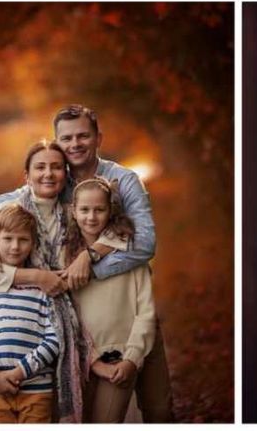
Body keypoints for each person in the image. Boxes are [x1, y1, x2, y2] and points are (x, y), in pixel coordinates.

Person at [0, 104, 174, 423]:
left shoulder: (123, 180)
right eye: (67, 138)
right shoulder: (58, 182)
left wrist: (87, 263)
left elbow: (145, 242)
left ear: (98, 138)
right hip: (84, 320)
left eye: (83, 136)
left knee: (157, 406)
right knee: (90, 410)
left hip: (128, 301)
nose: (75, 144)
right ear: (58, 142)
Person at [0, 142, 89, 422]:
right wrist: (36, 276)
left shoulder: (75, 213)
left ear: (66, 173)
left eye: (56, 167)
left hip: (66, 316)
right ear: (27, 175)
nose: (48, 173)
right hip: (38, 303)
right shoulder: (12, 209)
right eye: (40, 167)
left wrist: (89, 256)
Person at [66, 177, 157, 423]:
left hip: (119, 358)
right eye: (84, 210)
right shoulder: (64, 257)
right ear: (73, 211)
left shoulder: (130, 257)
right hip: (79, 360)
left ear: (110, 211)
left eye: (99, 210)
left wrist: (132, 358)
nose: (91, 217)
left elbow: (145, 313)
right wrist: (91, 359)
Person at [0, 201, 59, 424]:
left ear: (33, 243)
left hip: (37, 389)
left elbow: (54, 338)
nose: (15, 246)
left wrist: (20, 372)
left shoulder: (43, 288)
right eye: (8, 239)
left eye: (23, 239)